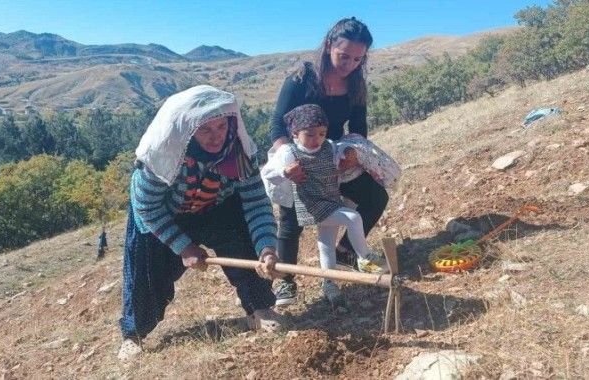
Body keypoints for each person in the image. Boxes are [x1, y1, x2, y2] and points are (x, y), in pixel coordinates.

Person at [118, 85, 285, 360]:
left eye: (221, 127)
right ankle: (133, 334)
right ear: (187, 130)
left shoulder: (239, 152)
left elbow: (255, 203)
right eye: (206, 129)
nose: (216, 136)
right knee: (146, 273)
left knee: (244, 241)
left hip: (217, 206)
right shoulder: (160, 156)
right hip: (163, 215)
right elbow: (146, 207)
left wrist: (267, 247)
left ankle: (259, 309)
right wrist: (184, 247)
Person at [269, 17, 389, 306]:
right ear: (328, 46)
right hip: (296, 154)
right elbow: (276, 126)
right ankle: (285, 281)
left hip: (333, 156)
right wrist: (288, 161)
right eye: (344, 56)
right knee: (291, 220)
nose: (349, 64)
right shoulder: (300, 80)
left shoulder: (357, 84)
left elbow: (359, 127)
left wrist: (350, 152)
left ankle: (348, 250)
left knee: (375, 196)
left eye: (358, 59)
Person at [261, 104, 387, 308]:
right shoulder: (289, 152)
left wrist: (349, 153)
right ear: (295, 133)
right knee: (353, 218)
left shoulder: (328, 146)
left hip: (329, 199)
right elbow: (267, 173)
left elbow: (342, 152)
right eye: (309, 135)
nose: (316, 140)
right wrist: (285, 172)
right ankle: (364, 256)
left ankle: (329, 284)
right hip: (311, 205)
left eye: (321, 133)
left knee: (326, 244)